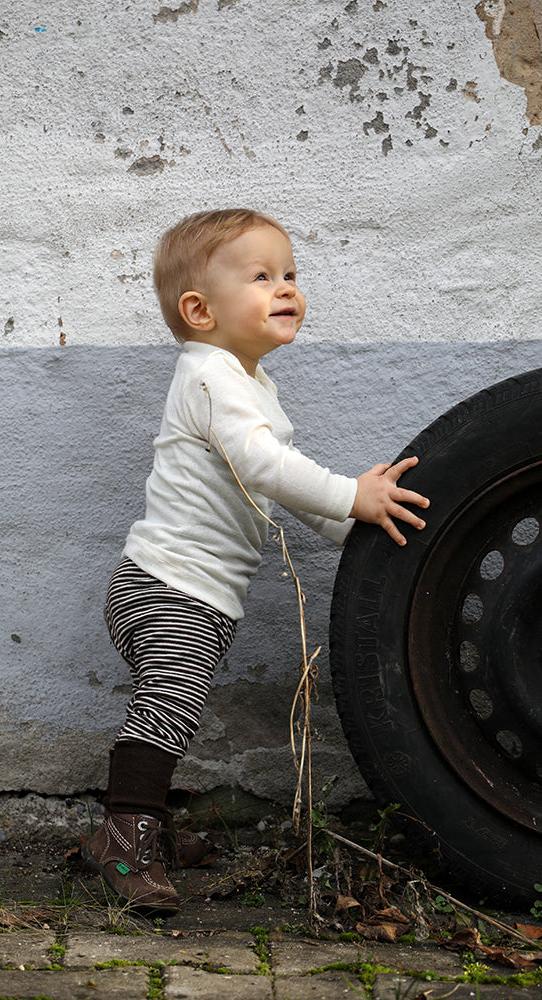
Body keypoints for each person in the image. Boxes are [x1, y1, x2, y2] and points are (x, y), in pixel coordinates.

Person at [81, 208, 430, 913]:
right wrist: (351, 495)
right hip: (167, 585)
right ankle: (126, 843)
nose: (286, 289)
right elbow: (266, 466)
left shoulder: (248, 385)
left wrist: (360, 530)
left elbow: (282, 490)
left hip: (194, 591)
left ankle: (136, 830)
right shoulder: (209, 376)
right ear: (198, 311)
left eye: (290, 274)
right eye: (262, 277)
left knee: (172, 711)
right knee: (167, 710)